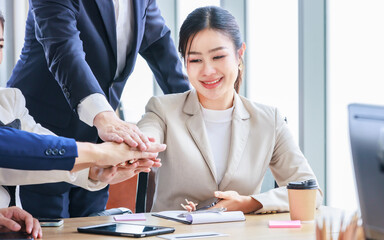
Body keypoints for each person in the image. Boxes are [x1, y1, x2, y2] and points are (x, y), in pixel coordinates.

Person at [7, 0, 189, 218]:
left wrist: (191, 107)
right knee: (50, 226)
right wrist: (105, 118)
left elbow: (160, 47)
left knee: (94, 223)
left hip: (100, 134)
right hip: (44, 127)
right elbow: (65, 51)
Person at [138, 6, 323, 213]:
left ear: (239, 54)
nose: (208, 70)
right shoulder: (162, 110)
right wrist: (137, 148)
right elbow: (143, 141)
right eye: (195, 60)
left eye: (218, 57)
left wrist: (248, 202)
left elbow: (310, 191)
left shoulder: (268, 120)